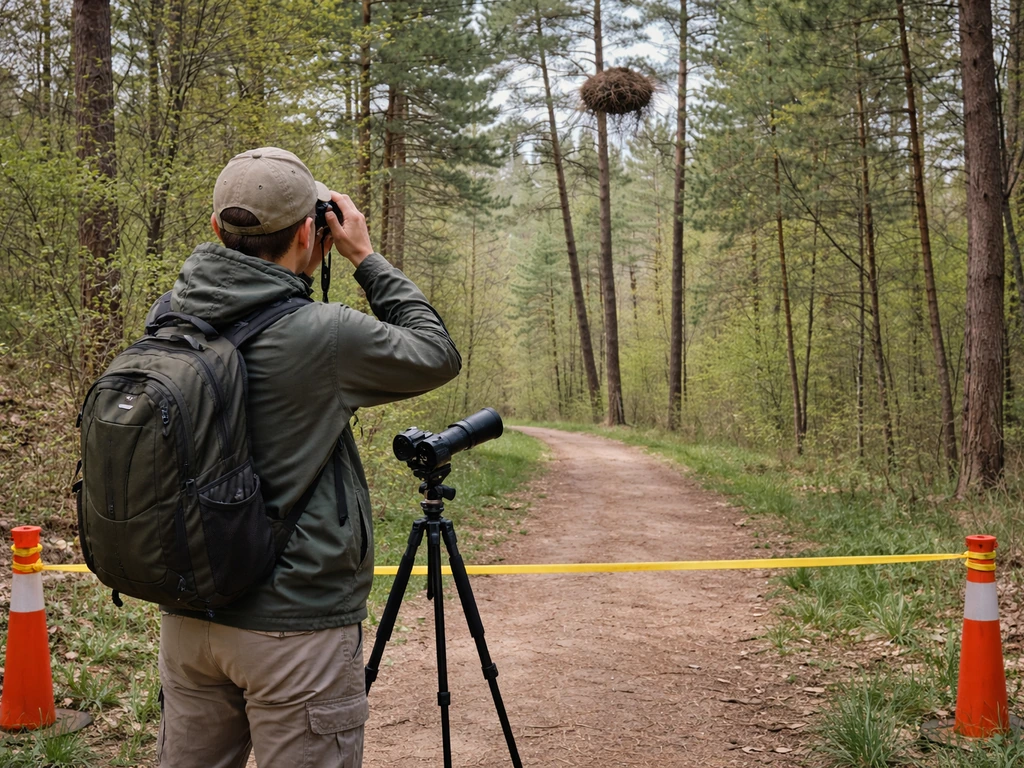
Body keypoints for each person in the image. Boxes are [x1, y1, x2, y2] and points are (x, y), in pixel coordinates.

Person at [155, 147, 461, 768]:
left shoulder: (167, 314)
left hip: (188, 617)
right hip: (294, 627)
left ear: (217, 230)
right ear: (309, 231)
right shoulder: (322, 333)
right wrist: (364, 257)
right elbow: (436, 351)